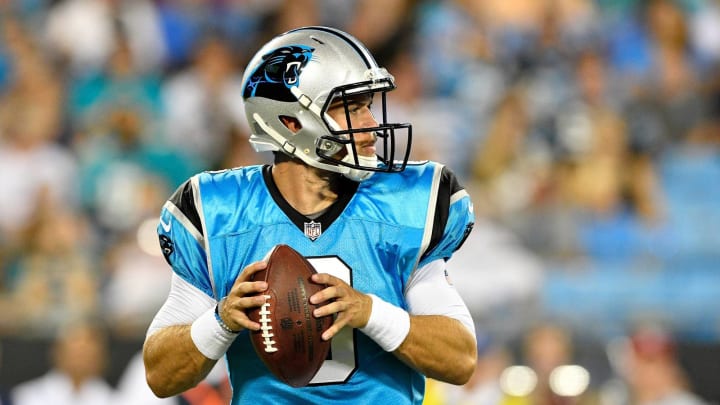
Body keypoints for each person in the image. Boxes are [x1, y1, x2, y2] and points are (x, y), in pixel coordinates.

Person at [143, 26, 477, 404]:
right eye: (352, 109)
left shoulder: (404, 203)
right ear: (291, 122)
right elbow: (159, 375)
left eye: (368, 106)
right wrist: (220, 321)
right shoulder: (219, 211)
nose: (370, 125)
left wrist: (369, 312)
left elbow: (460, 359)